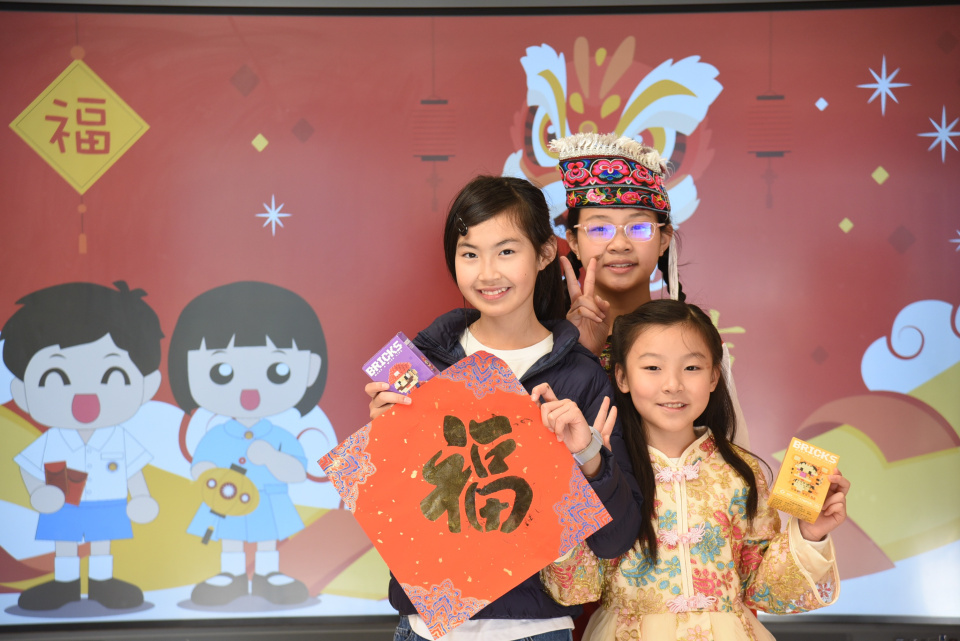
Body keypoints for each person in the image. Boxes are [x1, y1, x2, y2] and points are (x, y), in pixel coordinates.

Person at [365, 175, 643, 641]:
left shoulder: (581, 377)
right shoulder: (422, 365)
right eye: (469, 254)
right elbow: (400, 516)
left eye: (506, 251)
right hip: (424, 628)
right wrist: (384, 442)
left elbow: (616, 540)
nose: (487, 274)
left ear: (546, 253)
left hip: (535, 628)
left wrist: (590, 458)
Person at [541, 300, 848, 640]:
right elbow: (576, 588)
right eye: (652, 368)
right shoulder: (603, 469)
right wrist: (569, 492)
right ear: (622, 377)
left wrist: (809, 534)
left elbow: (762, 589)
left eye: (691, 368)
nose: (673, 384)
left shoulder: (741, 472)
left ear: (714, 376)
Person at [550, 132, 749, 449]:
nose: (619, 244)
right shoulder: (547, 342)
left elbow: (732, 455)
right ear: (573, 241)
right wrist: (578, 354)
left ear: (664, 239)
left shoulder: (697, 343)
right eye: (599, 228)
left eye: (639, 228)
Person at [5, 281, 163, 611]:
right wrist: (38, 492)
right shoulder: (52, 440)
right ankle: (65, 584)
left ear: (147, 387)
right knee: (65, 544)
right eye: (55, 377)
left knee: (102, 544)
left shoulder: (118, 438)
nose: (84, 397)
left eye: (113, 375)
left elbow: (133, 470)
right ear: (22, 393)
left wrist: (142, 497)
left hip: (108, 504)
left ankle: (103, 583)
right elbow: (28, 467)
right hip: (63, 505)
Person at [168, 281, 327, 606]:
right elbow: (200, 466)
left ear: (310, 370)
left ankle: (268, 574)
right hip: (227, 498)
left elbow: (297, 472)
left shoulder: (280, 437)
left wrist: (271, 458)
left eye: (278, 370)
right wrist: (207, 471)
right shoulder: (216, 436)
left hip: (269, 500)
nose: (249, 391)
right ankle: (231, 574)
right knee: (230, 537)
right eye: (221, 371)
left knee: (268, 539)